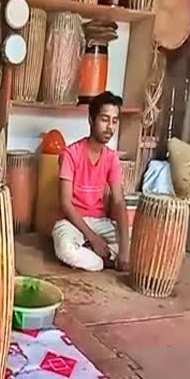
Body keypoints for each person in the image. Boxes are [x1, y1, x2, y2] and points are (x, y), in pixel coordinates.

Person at [52, 91, 130, 272]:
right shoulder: (70, 154)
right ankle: (102, 261)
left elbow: (118, 201)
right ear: (91, 119)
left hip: (100, 222)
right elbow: (65, 204)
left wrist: (125, 252)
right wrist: (93, 239)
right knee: (66, 247)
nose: (110, 127)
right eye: (104, 119)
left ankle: (94, 258)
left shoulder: (111, 158)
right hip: (72, 222)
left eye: (114, 120)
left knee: (132, 244)